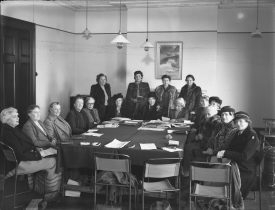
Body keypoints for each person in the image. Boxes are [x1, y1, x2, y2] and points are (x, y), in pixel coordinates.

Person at [0, 107, 61, 201]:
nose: (18, 118)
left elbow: (25, 147)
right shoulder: (8, 133)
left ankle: (43, 189)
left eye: (17, 116)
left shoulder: (12, 129)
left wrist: (39, 151)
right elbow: (21, 154)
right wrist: (41, 154)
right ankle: (50, 193)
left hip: (20, 160)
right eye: (14, 117)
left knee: (52, 156)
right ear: (7, 119)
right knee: (53, 161)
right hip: (17, 164)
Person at [216, 111, 259, 199]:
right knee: (216, 169)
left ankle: (227, 200)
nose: (238, 124)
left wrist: (225, 153)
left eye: (241, 121)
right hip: (235, 163)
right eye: (236, 122)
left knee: (222, 175)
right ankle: (217, 198)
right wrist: (223, 152)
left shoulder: (252, 136)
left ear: (247, 122)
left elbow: (244, 157)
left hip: (246, 168)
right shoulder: (237, 133)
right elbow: (231, 148)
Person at [182, 106, 221, 176]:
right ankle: (185, 168)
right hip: (201, 141)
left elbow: (214, 139)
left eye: (208, 114)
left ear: (215, 114)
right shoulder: (205, 119)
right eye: (205, 114)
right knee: (186, 144)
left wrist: (203, 137)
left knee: (188, 148)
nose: (206, 116)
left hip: (208, 146)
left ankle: (186, 171)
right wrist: (198, 135)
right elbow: (200, 130)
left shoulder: (216, 123)